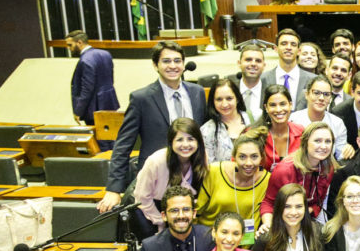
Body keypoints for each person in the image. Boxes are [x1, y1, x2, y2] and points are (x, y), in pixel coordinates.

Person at [99, 41, 205, 213]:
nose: (173, 66)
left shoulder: (197, 92)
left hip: (193, 176)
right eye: (166, 61)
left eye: (177, 61)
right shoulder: (142, 98)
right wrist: (113, 188)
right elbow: (123, 144)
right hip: (156, 179)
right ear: (155, 65)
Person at [130, 117, 208, 238]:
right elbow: (142, 198)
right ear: (171, 142)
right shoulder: (156, 161)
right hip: (152, 213)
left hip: (184, 214)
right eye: (180, 140)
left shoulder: (202, 158)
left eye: (191, 139)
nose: (186, 144)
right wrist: (162, 221)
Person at [260, 121, 338, 234]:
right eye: (317, 141)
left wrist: (303, 214)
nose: (323, 146)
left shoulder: (328, 169)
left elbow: (317, 202)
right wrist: (269, 226)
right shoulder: (284, 170)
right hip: (281, 221)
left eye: (328, 141)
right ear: (305, 143)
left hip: (306, 220)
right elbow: (268, 203)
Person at [196, 131, 271, 228]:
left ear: (262, 157)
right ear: (234, 157)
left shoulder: (267, 180)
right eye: (242, 157)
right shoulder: (215, 172)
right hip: (210, 237)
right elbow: (196, 212)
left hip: (246, 240)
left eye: (254, 156)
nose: (248, 163)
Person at [66, 30, 119, 128]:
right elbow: (110, 79)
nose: (69, 48)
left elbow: (87, 88)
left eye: (70, 45)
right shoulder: (105, 54)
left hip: (94, 108)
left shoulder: (85, 60)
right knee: (111, 137)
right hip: (110, 103)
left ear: (79, 42)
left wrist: (78, 111)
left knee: (100, 140)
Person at [289, 75, 348, 160]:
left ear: (330, 98)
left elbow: (341, 157)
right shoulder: (294, 120)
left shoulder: (337, 123)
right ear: (307, 94)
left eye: (326, 94)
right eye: (316, 93)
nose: (321, 98)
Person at [261, 29, 313, 111]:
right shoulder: (262, 79)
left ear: (299, 51)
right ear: (275, 49)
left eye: (293, 44)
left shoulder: (312, 80)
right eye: (284, 44)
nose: (288, 47)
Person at [255, 85, 304, 172]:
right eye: (273, 105)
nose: (278, 109)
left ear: (290, 105)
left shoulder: (302, 133)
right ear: (266, 108)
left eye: (282, 104)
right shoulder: (255, 135)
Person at [201, 78, 248, 163]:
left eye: (229, 98)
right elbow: (208, 167)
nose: (224, 104)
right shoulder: (207, 130)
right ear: (213, 102)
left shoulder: (253, 120)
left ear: (237, 98)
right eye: (219, 99)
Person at [233, 44, 267, 124]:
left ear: (264, 66)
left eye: (258, 61)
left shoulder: (270, 93)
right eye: (248, 60)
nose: (253, 64)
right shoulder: (230, 90)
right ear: (239, 63)